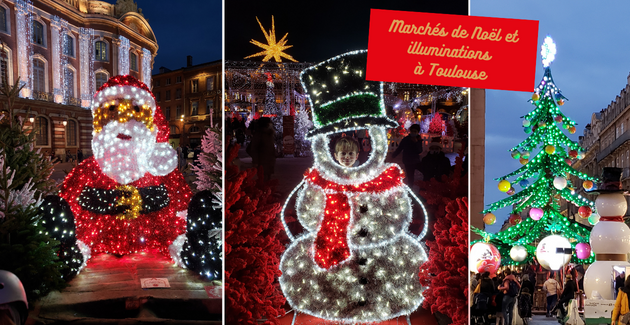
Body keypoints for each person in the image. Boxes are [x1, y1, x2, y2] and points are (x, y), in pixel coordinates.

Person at [249, 117, 276, 181]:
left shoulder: (269, 133)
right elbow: (253, 148)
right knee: (262, 179)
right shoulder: (260, 134)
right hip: (262, 161)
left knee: (267, 178)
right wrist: (255, 161)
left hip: (269, 160)